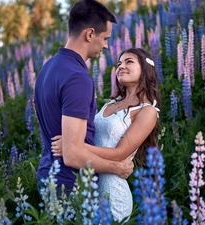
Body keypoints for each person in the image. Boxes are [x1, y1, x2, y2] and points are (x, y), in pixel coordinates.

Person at [34, 0, 134, 202]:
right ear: (89, 34)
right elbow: (73, 155)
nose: (106, 45)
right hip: (71, 187)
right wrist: (118, 167)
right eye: (105, 38)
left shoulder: (47, 68)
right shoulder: (78, 77)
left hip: (48, 177)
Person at [52, 47, 161, 223]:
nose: (121, 66)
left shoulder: (147, 111)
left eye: (129, 62)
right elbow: (83, 130)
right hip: (89, 186)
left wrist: (73, 147)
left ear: (145, 69)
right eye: (119, 63)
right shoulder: (111, 103)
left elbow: (120, 154)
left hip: (113, 192)